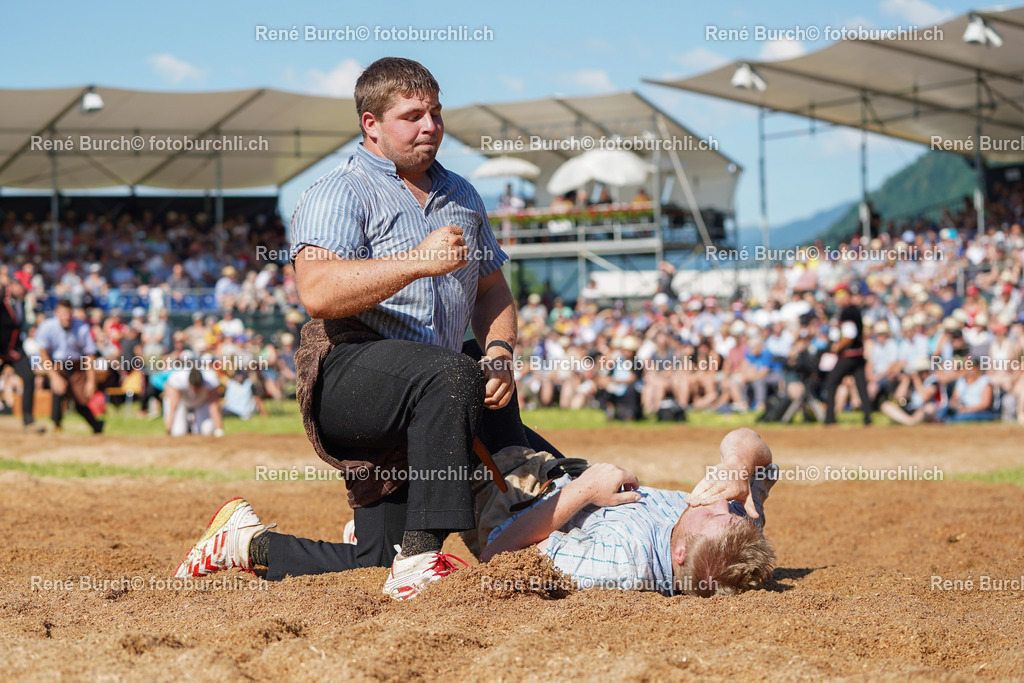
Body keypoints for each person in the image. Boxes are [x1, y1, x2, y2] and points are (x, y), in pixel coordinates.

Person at [174, 57, 557, 600]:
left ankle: (244, 545)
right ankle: (424, 554)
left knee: (373, 559)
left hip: (433, 395)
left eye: (437, 113)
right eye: (413, 116)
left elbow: (491, 289)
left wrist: (498, 350)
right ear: (371, 124)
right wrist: (417, 262)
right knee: (453, 373)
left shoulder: (465, 196)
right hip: (350, 376)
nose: (431, 126)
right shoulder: (339, 191)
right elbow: (317, 292)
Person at [479, 428, 777, 597]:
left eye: (712, 516)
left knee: (462, 377)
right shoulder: (739, 533)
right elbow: (757, 451)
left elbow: (497, 554)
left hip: (505, 491)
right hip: (554, 469)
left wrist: (586, 488)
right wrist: (738, 464)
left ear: (680, 553)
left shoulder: (619, 566)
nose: (720, 501)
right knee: (489, 364)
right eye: (729, 511)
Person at [34, 299, 104, 434]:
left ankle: (96, 425)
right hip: (56, 365)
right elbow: (43, 354)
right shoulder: (47, 327)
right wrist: (54, 376)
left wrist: (91, 380)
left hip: (77, 366)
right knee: (58, 389)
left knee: (81, 398)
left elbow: (89, 355)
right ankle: (56, 423)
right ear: (56, 314)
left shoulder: (82, 328)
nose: (67, 316)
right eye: (63, 313)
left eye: (69, 313)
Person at [0, 270, 45, 433]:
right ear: (13, 284)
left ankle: (28, 421)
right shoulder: (1, 295)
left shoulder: (21, 301)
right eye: (22, 288)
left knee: (29, 377)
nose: (25, 291)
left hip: (15, 350)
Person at [823, 285, 872, 425]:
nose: (835, 299)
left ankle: (830, 418)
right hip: (858, 356)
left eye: (837, 296)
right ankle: (867, 418)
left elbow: (849, 335)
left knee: (831, 383)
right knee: (862, 387)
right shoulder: (854, 310)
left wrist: (836, 347)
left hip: (848, 356)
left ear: (845, 295)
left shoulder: (847, 312)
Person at [163, 366, 225, 436]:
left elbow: (214, 405)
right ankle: (187, 426)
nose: (196, 391)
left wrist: (219, 429)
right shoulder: (177, 378)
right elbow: (173, 406)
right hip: (182, 402)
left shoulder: (210, 379)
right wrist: (169, 429)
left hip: (201, 402)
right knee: (178, 432)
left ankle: (192, 426)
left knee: (207, 430)